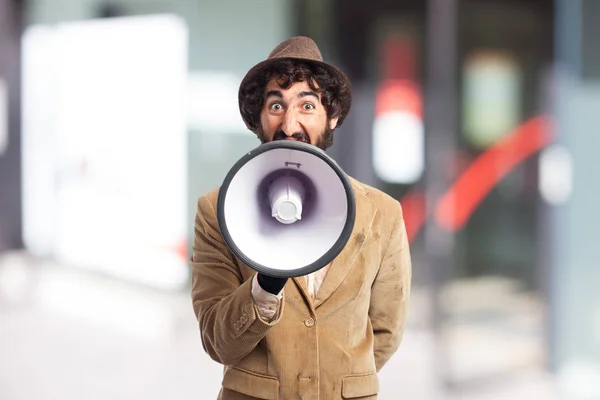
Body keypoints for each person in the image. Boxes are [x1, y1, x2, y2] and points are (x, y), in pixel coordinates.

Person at [190, 36, 412, 400]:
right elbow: (218, 342)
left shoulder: (383, 214)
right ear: (258, 119)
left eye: (307, 105)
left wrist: (341, 382)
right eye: (276, 104)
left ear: (333, 117)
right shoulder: (217, 212)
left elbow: (385, 332)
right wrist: (265, 287)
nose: (290, 124)